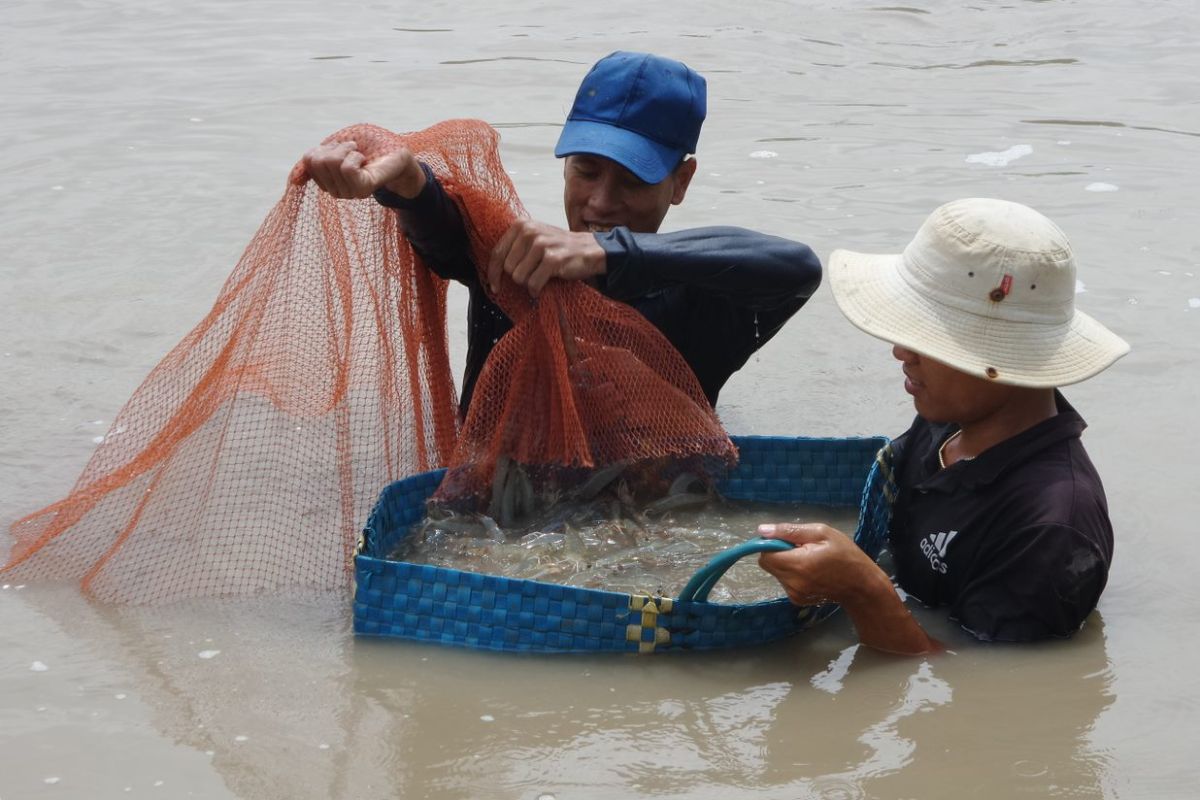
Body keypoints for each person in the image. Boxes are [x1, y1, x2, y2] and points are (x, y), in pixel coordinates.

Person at [302, 51, 821, 415]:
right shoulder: (516, 264)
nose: (599, 202)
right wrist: (407, 183)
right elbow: (442, 230)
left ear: (680, 182)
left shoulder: (708, 302)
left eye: (633, 179)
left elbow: (798, 268)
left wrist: (609, 250)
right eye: (586, 171)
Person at [758, 198, 1130, 654]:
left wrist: (863, 589)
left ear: (1003, 358)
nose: (900, 351)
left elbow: (985, 689)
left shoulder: (1050, 528)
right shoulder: (952, 417)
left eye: (927, 336)